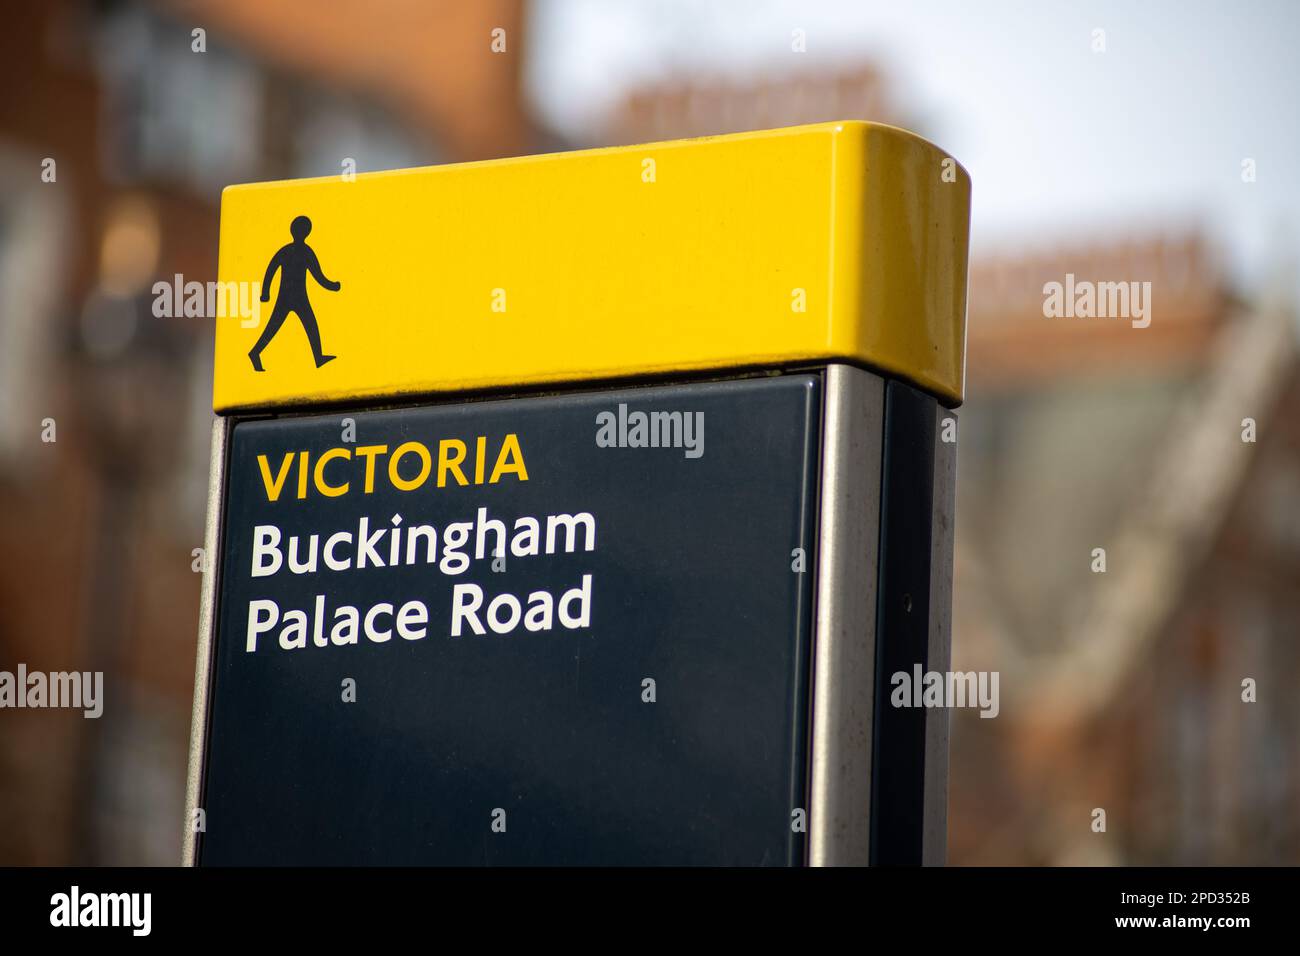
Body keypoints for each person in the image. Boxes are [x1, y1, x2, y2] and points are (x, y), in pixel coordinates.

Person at [249, 215, 341, 371]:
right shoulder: (301, 251)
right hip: (290, 296)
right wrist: (265, 293)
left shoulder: (294, 251)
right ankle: (255, 352)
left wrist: (332, 286)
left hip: (296, 296)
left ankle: (318, 357)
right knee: (275, 327)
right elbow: (272, 269)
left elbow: (317, 274)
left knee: (310, 324)